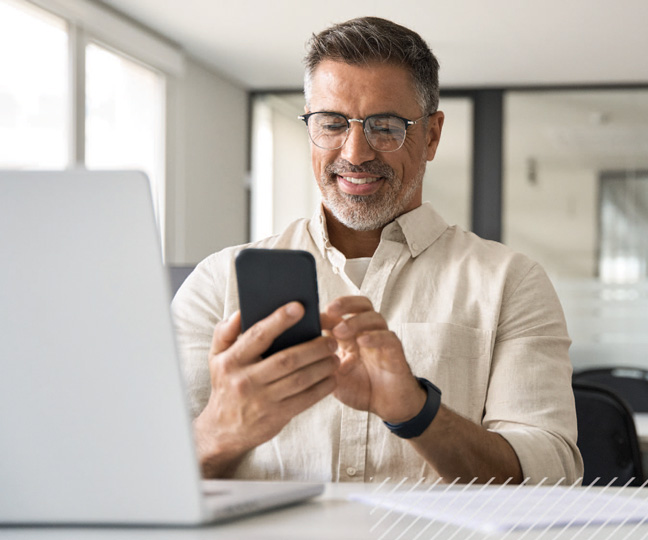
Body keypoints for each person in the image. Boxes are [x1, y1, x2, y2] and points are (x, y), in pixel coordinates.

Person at [171, 16, 583, 484]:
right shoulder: (217, 282)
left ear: (430, 135)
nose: (355, 151)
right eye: (331, 123)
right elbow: (144, 479)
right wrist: (225, 427)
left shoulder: (510, 282)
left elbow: (552, 475)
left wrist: (415, 411)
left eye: (385, 127)